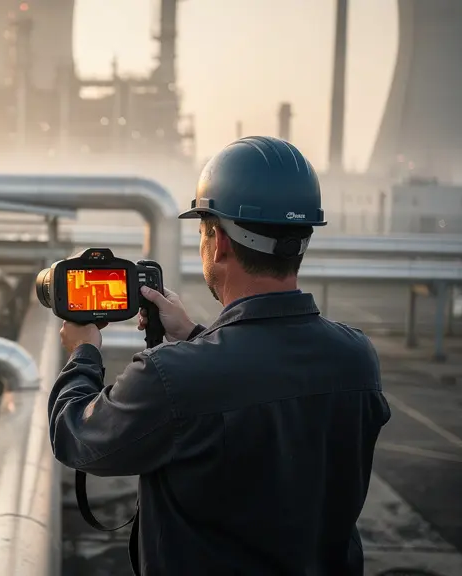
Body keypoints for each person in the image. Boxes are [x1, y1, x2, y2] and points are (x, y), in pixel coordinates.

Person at [49, 136, 392, 575]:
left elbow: (77, 436)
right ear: (302, 238)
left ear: (221, 242)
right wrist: (194, 334)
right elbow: (256, 380)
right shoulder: (356, 358)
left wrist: (83, 354)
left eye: (202, 230)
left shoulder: (172, 378)